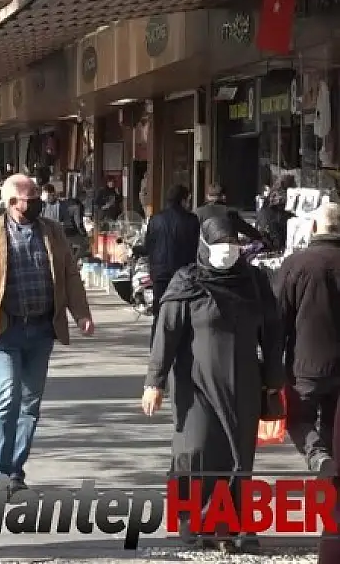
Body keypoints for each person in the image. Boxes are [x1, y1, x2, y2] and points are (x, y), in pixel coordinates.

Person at [143, 215, 283, 552]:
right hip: (196, 386)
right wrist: (154, 381)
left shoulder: (253, 281)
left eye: (233, 246)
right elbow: (167, 334)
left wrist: (274, 381)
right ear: (205, 247)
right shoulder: (187, 282)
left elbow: (273, 333)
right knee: (198, 451)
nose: (227, 252)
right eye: (220, 246)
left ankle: (233, 527)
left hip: (244, 383)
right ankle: (196, 524)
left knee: (239, 456)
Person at [0, 174, 93, 492]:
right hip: (5, 330)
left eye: (36, 195)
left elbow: (69, 274)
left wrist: (81, 313)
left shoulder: (53, 231)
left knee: (31, 403)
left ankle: (16, 470)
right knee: (8, 397)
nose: (37, 200)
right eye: (30, 196)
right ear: (12, 203)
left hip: (41, 329)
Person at [275, 202, 340, 476]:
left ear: (314, 227)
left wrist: (270, 366)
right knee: (332, 427)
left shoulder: (296, 264)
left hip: (305, 366)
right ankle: (330, 478)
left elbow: (277, 319)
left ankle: (316, 453)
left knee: (298, 420)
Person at [142, 184, 201, 340]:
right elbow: (196, 247)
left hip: (159, 272)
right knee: (184, 312)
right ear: (183, 200)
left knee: (160, 311)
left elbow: (148, 245)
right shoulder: (192, 220)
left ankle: (157, 347)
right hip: (184, 274)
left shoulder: (155, 219)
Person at [194, 183, 263, 243]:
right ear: (224, 197)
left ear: (207, 196)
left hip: (205, 253)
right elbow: (248, 230)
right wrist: (261, 236)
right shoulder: (230, 212)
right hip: (229, 251)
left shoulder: (197, 212)